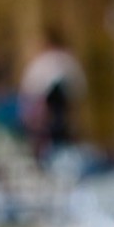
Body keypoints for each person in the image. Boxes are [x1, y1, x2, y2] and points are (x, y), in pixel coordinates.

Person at [19, 28, 87, 160]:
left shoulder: (46, 61)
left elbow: (30, 89)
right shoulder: (66, 59)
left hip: (54, 109)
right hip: (55, 110)